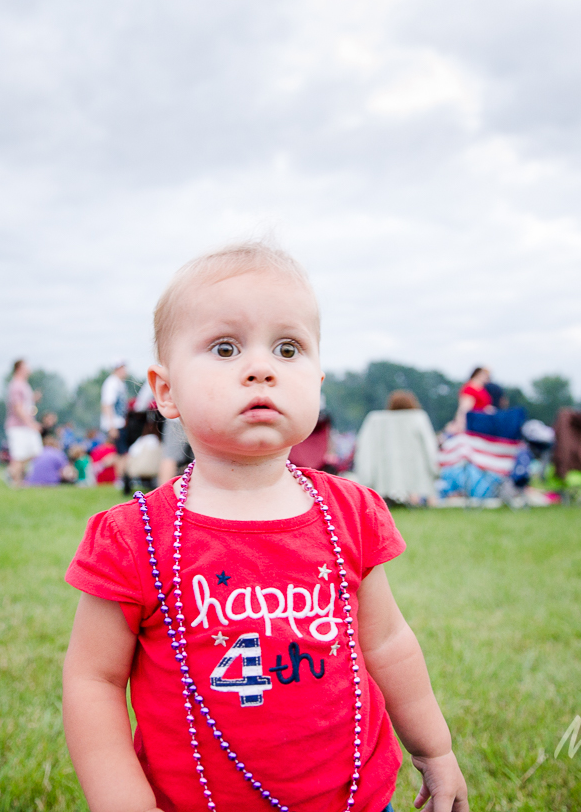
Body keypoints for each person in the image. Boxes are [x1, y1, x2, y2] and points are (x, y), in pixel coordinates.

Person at [62, 243, 469, 812]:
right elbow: (93, 681)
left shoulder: (349, 512)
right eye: (225, 347)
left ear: (318, 381)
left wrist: (436, 750)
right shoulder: (135, 537)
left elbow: (387, 641)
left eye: (288, 347)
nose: (261, 368)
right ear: (166, 391)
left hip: (355, 798)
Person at [5, 359, 42, 486]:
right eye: (26, 366)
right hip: (18, 426)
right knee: (19, 455)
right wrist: (31, 423)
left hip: (25, 425)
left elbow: (26, 405)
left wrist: (33, 399)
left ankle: (11, 473)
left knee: (34, 451)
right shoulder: (16, 385)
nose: (29, 368)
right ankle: (15, 480)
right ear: (20, 368)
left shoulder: (24, 384)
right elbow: (18, 407)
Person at [101, 361, 130, 478]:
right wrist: (111, 426)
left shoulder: (120, 383)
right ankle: (120, 479)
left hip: (120, 423)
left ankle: (122, 478)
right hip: (116, 424)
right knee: (121, 453)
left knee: (121, 453)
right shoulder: (111, 383)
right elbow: (107, 405)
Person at [452, 366, 492, 431]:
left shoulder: (482, 389)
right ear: (478, 374)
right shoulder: (470, 389)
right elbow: (464, 409)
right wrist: (460, 424)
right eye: (485, 375)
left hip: (481, 422)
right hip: (472, 424)